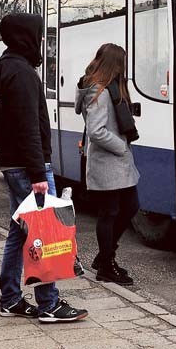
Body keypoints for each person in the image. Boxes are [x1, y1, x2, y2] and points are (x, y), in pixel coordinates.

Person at [0, 12, 88, 323]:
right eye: (37, 33)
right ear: (26, 36)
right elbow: (27, 127)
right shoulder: (21, 72)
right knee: (43, 233)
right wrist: (38, 173)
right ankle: (48, 303)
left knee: (19, 232)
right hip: (26, 166)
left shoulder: (3, 67)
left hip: (13, 162)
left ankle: (10, 298)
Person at [75, 44, 140, 286]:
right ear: (115, 64)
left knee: (128, 206)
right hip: (108, 162)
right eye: (122, 63)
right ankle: (106, 265)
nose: (124, 68)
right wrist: (121, 146)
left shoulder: (107, 90)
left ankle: (105, 257)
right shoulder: (100, 93)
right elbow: (97, 131)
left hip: (116, 164)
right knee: (110, 212)